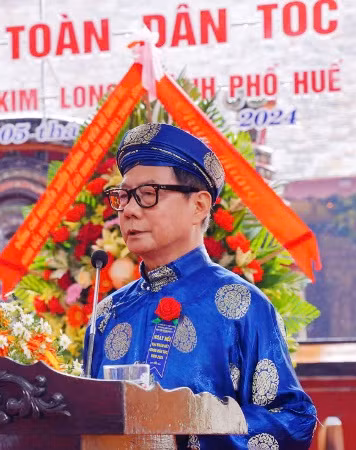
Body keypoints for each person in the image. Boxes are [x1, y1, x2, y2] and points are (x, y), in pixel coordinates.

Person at [83, 123, 317, 449]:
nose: (130, 211)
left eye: (148, 195)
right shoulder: (108, 313)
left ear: (199, 206)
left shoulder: (242, 306)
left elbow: (292, 420)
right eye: (122, 197)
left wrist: (191, 432)